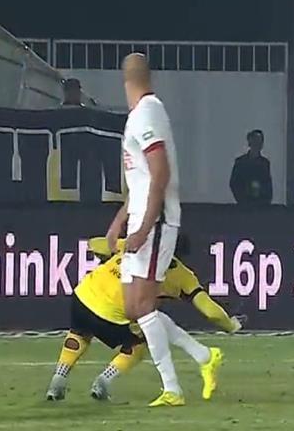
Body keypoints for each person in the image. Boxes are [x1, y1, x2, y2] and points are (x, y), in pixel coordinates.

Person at [46, 237, 242, 402]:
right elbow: (211, 312)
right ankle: (104, 381)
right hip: (111, 316)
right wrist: (230, 325)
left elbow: (94, 244)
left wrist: (111, 251)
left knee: (79, 334)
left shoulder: (135, 245)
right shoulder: (182, 275)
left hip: (82, 297)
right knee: (140, 344)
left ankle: (59, 378)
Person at [106, 53, 184, 407]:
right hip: (141, 217)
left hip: (156, 219)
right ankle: (200, 354)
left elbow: (160, 172)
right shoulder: (140, 114)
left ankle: (172, 388)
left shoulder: (147, 113)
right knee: (132, 305)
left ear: (126, 81)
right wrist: (120, 220)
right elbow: (140, 180)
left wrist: (145, 226)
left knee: (141, 303)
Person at [230, 129, 273, 205]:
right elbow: (234, 183)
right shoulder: (240, 162)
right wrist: (242, 199)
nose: (257, 143)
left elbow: (267, 185)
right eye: (255, 140)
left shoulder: (265, 163)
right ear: (250, 142)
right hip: (244, 203)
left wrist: (265, 201)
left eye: (260, 141)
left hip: (261, 205)